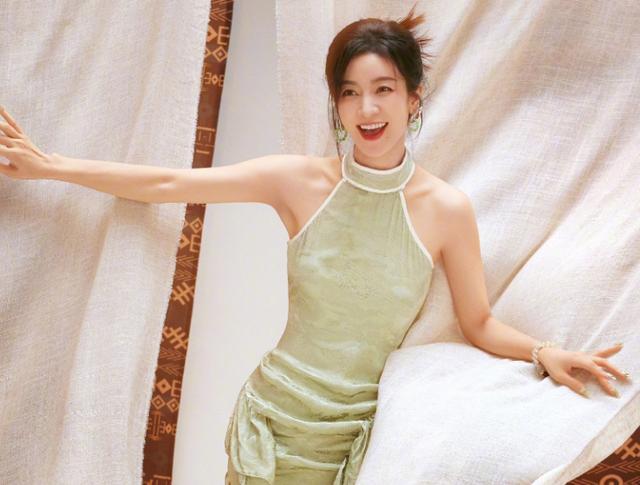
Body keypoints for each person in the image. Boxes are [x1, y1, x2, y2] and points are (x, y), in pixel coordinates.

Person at [0, 4, 630, 485]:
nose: (367, 108)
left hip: (357, 438)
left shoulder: (446, 209)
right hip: (272, 423)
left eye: (383, 88)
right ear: (336, 104)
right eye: (350, 92)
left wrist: (545, 352)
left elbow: (479, 322)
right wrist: (51, 166)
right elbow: (169, 183)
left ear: (413, 98)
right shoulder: (298, 182)